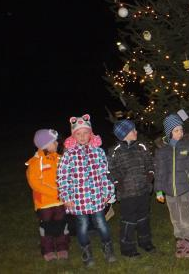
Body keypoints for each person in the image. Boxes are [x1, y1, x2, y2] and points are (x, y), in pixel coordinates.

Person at [57, 114, 116, 267]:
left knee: (101, 224)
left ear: (91, 134)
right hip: (78, 199)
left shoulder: (98, 152)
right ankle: (86, 251)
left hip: (97, 197)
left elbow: (106, 174)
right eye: (79, 134)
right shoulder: (68, 155)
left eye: (85, 133)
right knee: (82, 226)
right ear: (74, 135)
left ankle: (107, 247)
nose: (82, 137)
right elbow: (62, 177)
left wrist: (107, 192)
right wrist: (66, 197)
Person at [154, 113, 189, 258]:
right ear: (169, 133)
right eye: (176, 130)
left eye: (181, 129)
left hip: (185, 189)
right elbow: (160, 171)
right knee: (175, 218)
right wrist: (158, 191)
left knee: (186, 218)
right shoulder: (162, 150)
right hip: (169, 191)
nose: (180, 133)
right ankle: (181, 241)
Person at [108, 119, 156, 257]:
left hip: (143, 190)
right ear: (124, 134)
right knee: (129, 220)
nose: (136, 132)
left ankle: (145, 242)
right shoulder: (114, 151)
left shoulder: (142, 146)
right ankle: (127, 248)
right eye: (132, 130)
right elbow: (110, 169)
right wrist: (118, 182)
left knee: (143, 218)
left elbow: (150, 162)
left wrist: (150, 174)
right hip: (127, 193)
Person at [25, 129, 69, 262]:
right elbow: (35, 183)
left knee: (62, 225)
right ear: (45, 145)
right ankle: (48, 250)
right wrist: (57, 193)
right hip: (44, 203)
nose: (57, 143)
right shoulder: (35, 162)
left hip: (60, 202)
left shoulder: (60, 158)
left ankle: (62, 248)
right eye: (53, 142)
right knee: (47, 227)